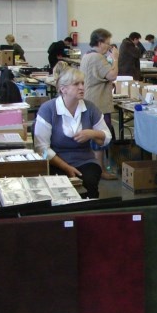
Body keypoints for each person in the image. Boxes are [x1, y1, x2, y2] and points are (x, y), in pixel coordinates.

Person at [34, 63, 112, 199]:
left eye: (82, 83)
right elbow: (42, 148)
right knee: (60, 190)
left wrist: (91, 133)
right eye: (76, 84)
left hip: (85, 161)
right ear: (63, 89)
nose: (82, 87)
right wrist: (66, 167)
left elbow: (107, 137)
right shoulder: (48, 110)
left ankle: (89, 215)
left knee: (89, 183)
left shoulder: (90, 108)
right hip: (55, 162)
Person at [80, 28, 119, 180]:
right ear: (100, 42)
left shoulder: (87, 55)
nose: (109, 47)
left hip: (90, 100)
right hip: (98, 103)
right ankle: (100, 170)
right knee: (100, 137)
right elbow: (112, 74)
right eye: (107, 44)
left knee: (95, 137)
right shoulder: (97, 57)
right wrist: (115, 58)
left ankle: (97, 168)